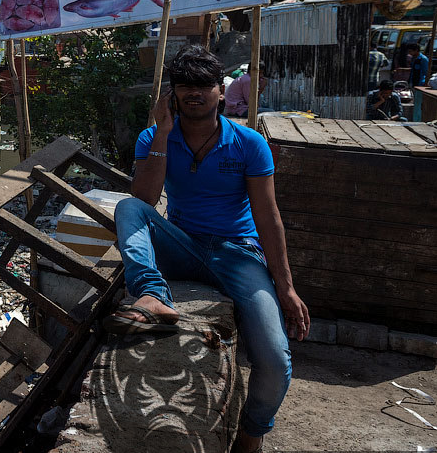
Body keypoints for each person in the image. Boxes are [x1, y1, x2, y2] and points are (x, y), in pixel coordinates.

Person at [105, 45, 307, 453]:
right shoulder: (153, 137)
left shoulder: (249, 144)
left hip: (238, 254)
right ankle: (153, 295)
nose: (194, 93)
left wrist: (285, 288)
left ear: (221, 90)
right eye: (184, 86)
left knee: (275, 358)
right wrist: (163, 133)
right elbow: (145, 199)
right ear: (172, 94)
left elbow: (268, 218)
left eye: (204, 86)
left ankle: (251, 434)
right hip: (183, 245)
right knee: (127, 207)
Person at [405, 43, 430, 122]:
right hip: (414, 83)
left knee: (418, 103)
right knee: (416, 102)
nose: (409, 53)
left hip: (420, 84)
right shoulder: (414, 59)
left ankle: (417, 120)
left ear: (416, 50)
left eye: (410, 51)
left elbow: (426, 72)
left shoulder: (423, 59)